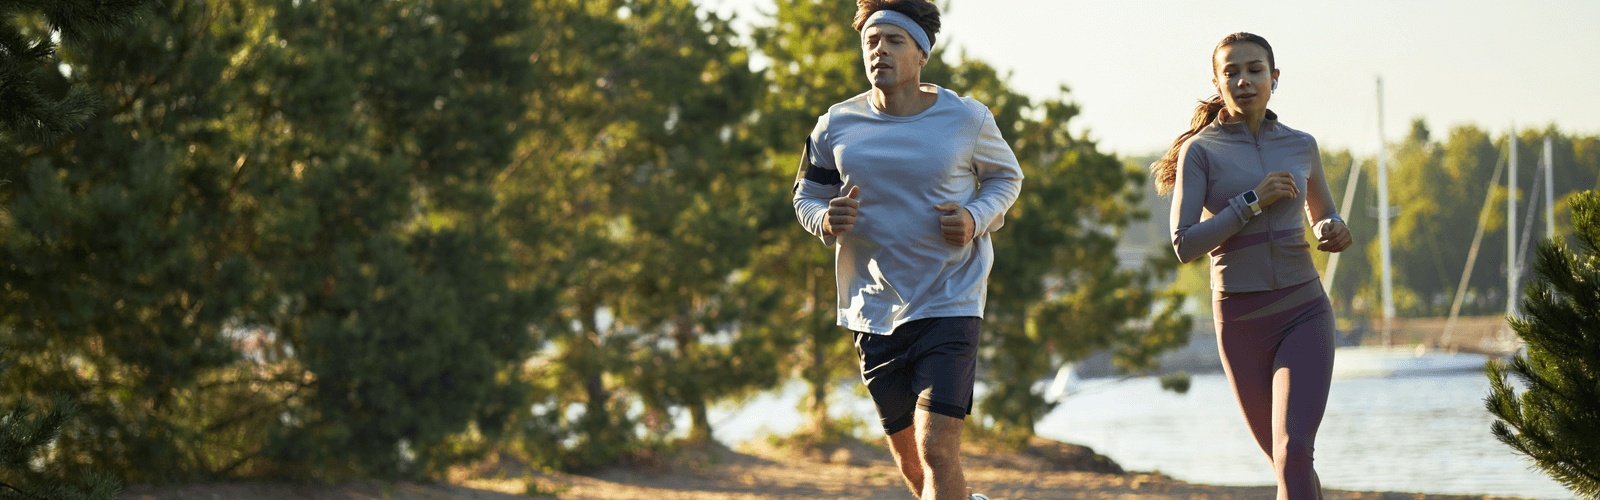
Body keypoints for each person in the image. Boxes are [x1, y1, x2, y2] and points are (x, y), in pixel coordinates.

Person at [791, 1, 1022, 498]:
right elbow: (806, 194)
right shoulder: (836, 125)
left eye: (894, 41)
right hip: (871, 307)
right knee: (912, 463)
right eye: (871, 42)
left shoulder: (966, 118)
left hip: (949, 299)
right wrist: (825, 218)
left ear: (921, 53)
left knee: (937, 447)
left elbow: (1006, 177)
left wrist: (975, 217)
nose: (880, 51)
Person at [1152, 32, 1353, 500]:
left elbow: (1324, 213)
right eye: (1232, 72)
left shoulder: (1301, 144)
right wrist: (1250, 201)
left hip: (1304, 309)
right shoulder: (1200, 152)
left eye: (1255, 70)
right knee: (1284, 460)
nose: (1244, 80)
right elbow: (1183, 244)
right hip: (1241, 322)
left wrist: (1333, 229)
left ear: (1274, 78)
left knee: (1295, 452)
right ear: (1218, 83)